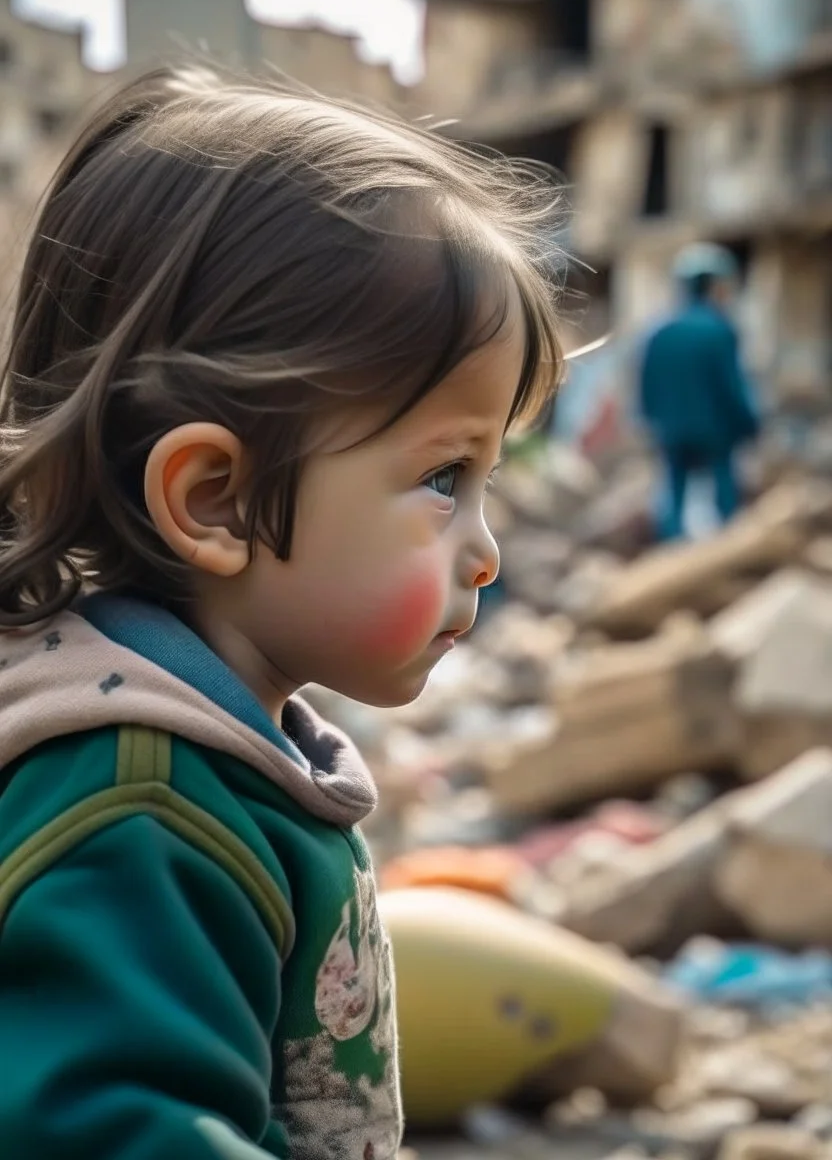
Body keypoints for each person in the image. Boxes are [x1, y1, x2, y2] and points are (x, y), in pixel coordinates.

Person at [0, 68, 564, 1159]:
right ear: (214, 500)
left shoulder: (209, 755)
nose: (485, 553)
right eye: (446, 477)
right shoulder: (141, 809)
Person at [637, 243, 760, 541]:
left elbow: (646, 387)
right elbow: (732, 385)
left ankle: (671, 549)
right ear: (713, 286)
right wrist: (750, 422)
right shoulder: (719, 329)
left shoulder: (659, 331)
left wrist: (653, 421)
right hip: (715, 432)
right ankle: (729, 550)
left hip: (672, 431)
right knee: (724, 496)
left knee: (674, 496)